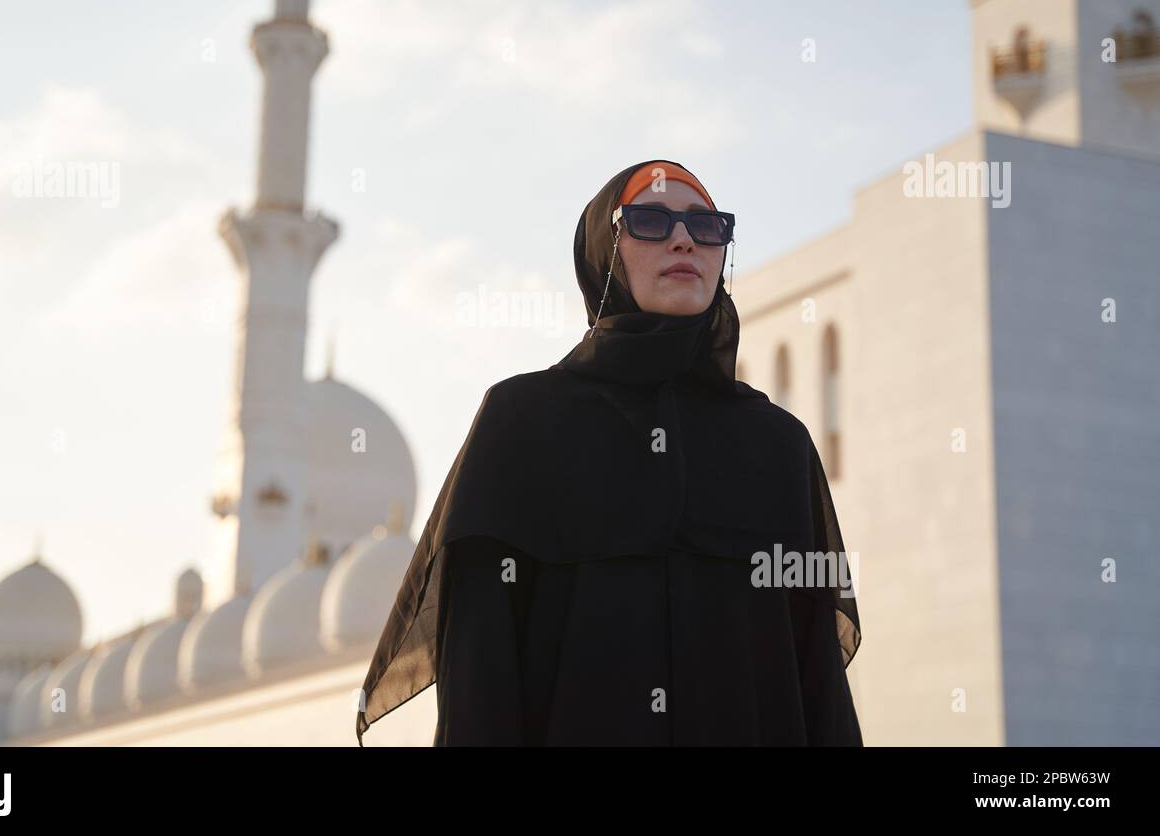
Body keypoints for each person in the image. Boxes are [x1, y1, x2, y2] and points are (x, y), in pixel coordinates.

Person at [355, 159, 862, 746]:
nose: (683, 239)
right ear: (606, 249)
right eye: (650, 220)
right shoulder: (524, 421)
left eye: (707, 226)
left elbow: (817, 678)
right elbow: (480, 668)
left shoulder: (777, 445)